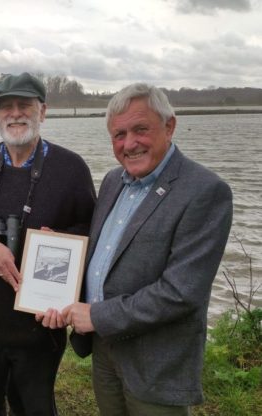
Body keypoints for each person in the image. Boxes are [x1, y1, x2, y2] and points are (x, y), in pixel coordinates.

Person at [40, 83, 233, 415]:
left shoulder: (205, 191)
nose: (129, 144)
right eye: (119, 134)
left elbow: (180, 293)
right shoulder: (114, 180)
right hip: (105, 349)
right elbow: (107, 253)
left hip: (154, 362)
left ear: (169, 126)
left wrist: (96, 315)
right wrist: (58, 251)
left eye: (140, 129)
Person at [0, 72, 97, 415]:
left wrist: (67, 241)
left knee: (36, 408)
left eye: (24, 105)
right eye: (4, 107)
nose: (14, 114)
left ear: (43, 111)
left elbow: (91, 232)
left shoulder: (71, 169)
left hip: (40, 326)